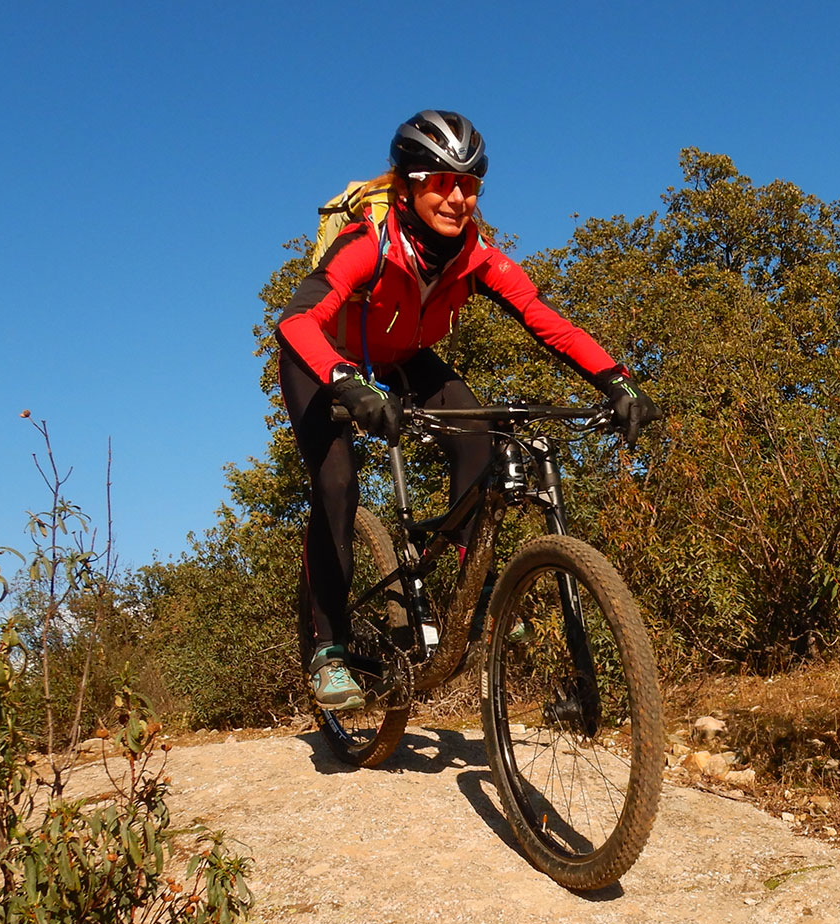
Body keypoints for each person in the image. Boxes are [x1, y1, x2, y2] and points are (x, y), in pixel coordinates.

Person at [274, 109, 660, 711]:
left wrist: (619, 381)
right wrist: (346, 382)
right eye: (441, 181)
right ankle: (329, 649)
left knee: (477, 433)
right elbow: (297, 321)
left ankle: (467, 592)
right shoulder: (367, 245)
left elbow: (546, 321)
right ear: (407, 186)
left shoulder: (477, 257)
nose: (458, 197)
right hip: (323, 359)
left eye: (470, 183)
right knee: (337, 486)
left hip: (400, 356)